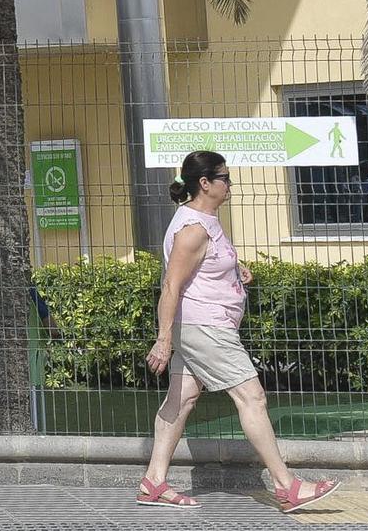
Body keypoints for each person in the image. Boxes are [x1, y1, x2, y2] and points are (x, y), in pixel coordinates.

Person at [139, 151, 339, 513]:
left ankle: (153, 482)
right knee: (253, 397)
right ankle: (287, 486)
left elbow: (207, 263)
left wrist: (235, 270)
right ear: (205, 184)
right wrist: (163, 340)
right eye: (225, 178)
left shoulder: (204, 221)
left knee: (181, 400)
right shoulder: (193, 230)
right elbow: (171, 286)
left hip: (204, 325)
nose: (230, 184)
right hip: (206, 328)